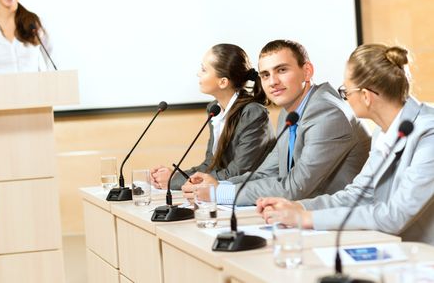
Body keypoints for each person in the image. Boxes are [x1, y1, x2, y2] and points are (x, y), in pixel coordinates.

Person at [257, 44, 434, 244]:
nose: (345, 99)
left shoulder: (429, 133)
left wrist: (306, 219)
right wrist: (299, 208)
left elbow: (395, 215)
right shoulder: (383, 132)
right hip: (400, 250)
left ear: (366, 96)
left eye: (345, 91)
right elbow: (358, 194)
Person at [182, 40, 371, 205]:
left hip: (343, 226)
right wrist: (216, 185)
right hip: (302, 216)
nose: (272, 82)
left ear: (307, 71)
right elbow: (267, 173)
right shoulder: (289, 114)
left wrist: (218, 193)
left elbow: (294, 187)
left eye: (281, 70)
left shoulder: (328, 113)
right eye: (265, 75)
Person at [150, 43, 275, 190]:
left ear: (223, 82)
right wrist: (176, 175)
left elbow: (237, 172)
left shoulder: (253, 113)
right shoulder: (215, 109)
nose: (198, 74)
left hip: (251, 196)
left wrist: (174, 181)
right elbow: (210, 165)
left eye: (204, 70)